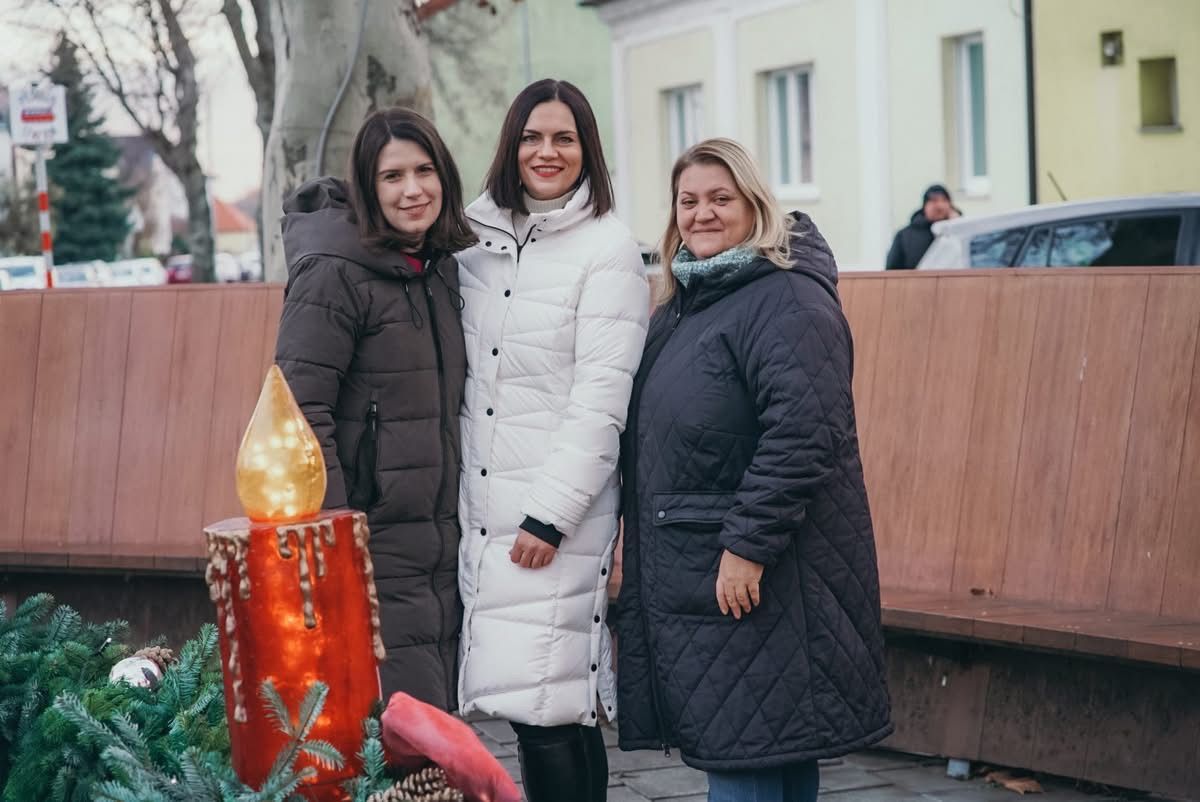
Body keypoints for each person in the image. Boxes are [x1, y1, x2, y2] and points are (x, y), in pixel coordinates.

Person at [617, 138, 892, 802]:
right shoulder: (691, 301)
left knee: (750, 768)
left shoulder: (785, 299)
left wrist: (746, 545)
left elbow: (805, 431)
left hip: (761, 578)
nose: (702, 214)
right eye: (689, 201)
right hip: (706, 572)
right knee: (769, 757)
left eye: (721, 199)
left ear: (755, 205)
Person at [456, 79, 649, 802]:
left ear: (586, 151)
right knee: (551, 708)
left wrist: (550, 515)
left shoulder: (607, 250)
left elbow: (603, 399)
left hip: (551, 516)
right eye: (533, 136)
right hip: (479, 510)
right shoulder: (471, 243)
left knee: (547, 706)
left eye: (564, 138)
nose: (547, 151)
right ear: (511, 145)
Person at [274, 107, 476, 709]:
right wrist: (338, 539)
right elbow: (301, 412)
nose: (413, 190)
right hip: (371, 540)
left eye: (425, 170)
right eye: (393, 177)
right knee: (398, 733)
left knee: (434, 729)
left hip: (441, 539)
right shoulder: (333, 275)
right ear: (367, 186)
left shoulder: (437, 270)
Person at [885, 183, 958, 269]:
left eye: (944, 200)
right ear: (925, 205)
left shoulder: (960, 232)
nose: (940, 206)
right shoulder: (905, 236)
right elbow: (892, 269)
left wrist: (956, 225)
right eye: (934, 201)